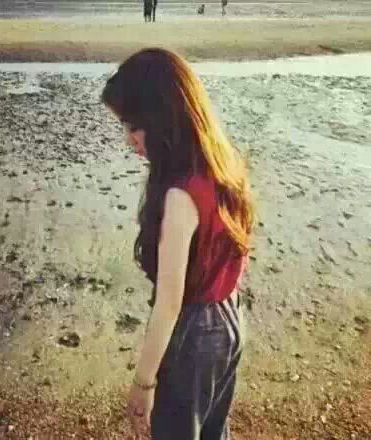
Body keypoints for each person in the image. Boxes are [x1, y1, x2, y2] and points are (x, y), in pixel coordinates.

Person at [101, 48, 254, 440]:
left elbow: (170, 303)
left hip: (194, 335)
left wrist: (143, 383)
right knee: (214, 430)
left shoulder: (181, 194)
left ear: (161, 118)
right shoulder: (222, 163)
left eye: (133, 127)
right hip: (229, 317)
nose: (129, 140)